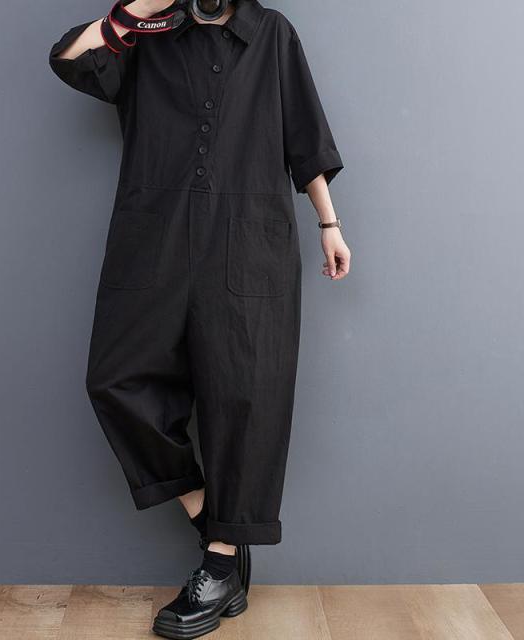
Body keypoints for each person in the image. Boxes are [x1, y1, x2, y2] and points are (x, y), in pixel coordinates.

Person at [48, 0, 351, 637]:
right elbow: (71, 60)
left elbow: (306, 134)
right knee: (116, 379)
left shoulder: (271, 33)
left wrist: (329, 222)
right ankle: (216, 519)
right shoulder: (148, 32)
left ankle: (218, 562)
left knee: (247, 396)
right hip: (152, 237)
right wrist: (135, 10)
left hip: (249, 239)